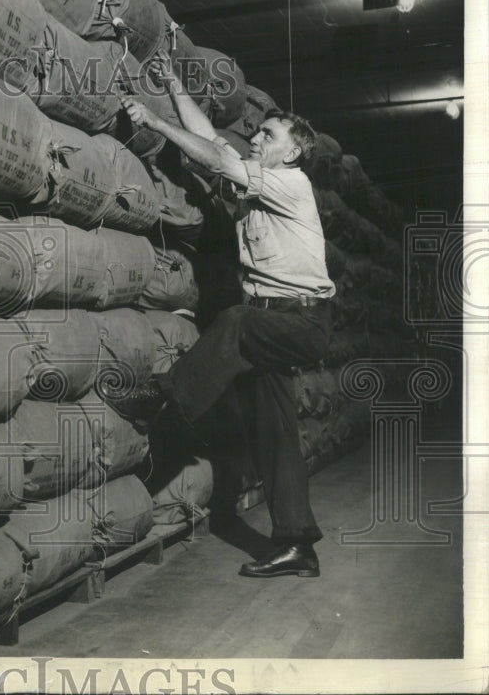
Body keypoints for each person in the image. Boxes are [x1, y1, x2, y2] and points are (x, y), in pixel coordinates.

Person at [121, 54, 336, 579]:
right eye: (257, 132)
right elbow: (218, 148)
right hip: (276, 324)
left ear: (294, 152)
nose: (256, 138)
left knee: (236, 321)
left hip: (298, 322)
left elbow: (217, 162)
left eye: (267, 134)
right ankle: (296, 544)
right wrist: (172, 84)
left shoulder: (292, 185)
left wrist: (153, 122)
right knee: (276, 433)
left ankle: (166, 401)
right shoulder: (260, 182)